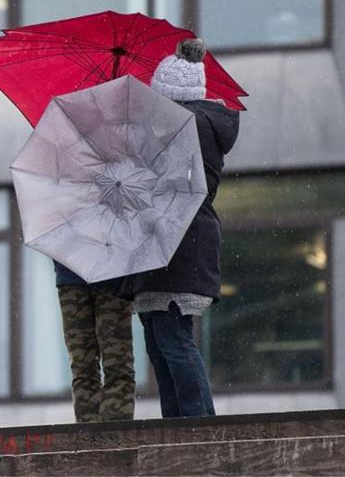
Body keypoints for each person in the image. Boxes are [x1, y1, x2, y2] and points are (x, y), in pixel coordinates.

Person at [128, 37, 240, 418]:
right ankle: (178, 424)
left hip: (182, 241)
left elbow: (165, 181)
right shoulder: (181, 127)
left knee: (173, 339)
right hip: (169, 241)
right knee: (160, 342)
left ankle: (196, 426)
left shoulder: (192, 128)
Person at [54, 261, 135, 422]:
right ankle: (90, 432)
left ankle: (115, 431)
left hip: (111, 277)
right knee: (84, 365)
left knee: (115, 361)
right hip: (74, 277)